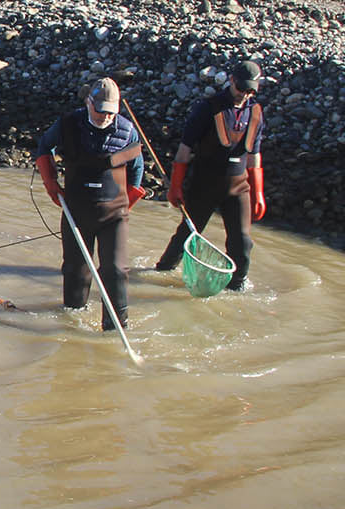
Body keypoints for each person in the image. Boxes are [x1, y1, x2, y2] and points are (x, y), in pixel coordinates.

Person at [35, 77, 146, 332]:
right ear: (88, 102)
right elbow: (44, 148)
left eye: (110, 112)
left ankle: (116, 328)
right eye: (100, 110)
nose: (105, 117)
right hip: (76, 210)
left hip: (114, 214)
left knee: (115, 270)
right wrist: (51, 184)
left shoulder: (127, 130)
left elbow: (137, 168)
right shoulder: (68, 124)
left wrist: (128, 203)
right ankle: (71, 324)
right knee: (75, 270)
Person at [154, 61, 268, 291]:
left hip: (238, 187)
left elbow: (254, 155)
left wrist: (258, 193)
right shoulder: (207, 108)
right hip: (203, 185)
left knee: (242, 241)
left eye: (249, 91)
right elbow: (185, 150)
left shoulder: (255, 112)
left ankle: (237, 285)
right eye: (240, 89)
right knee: (188, 234)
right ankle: (162, 271)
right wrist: (175, 186)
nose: (243, 95)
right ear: (231, 81)